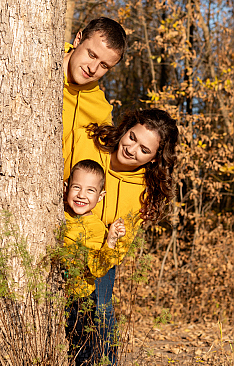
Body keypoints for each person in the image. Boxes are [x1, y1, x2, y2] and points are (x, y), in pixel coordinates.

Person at [63, 108, 179, 364]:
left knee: (100, 316)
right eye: (132, 137)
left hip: (101, 256)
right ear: (125, 129)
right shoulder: (88, 145)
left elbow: (121, 245)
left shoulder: (143, 191)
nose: (132, 149)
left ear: (153, 159)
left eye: (144, 150)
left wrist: (106, 245)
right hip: (63, 242)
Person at [63, 159, 126, 365]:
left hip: (80, 298)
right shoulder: (59, 215)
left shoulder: (97, 228)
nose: (82, 195)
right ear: (66, 188)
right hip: (55, 294)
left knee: (82, 349)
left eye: (90, 190)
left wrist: (110, 242)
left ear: (101, 197)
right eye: (77, 187)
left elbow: (98, 269)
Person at [63, 17, 127, 150]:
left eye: (104, 65)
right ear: (78, 40)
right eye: (92, 55)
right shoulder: (39, 56)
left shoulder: (100, 112)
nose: (92, 68)